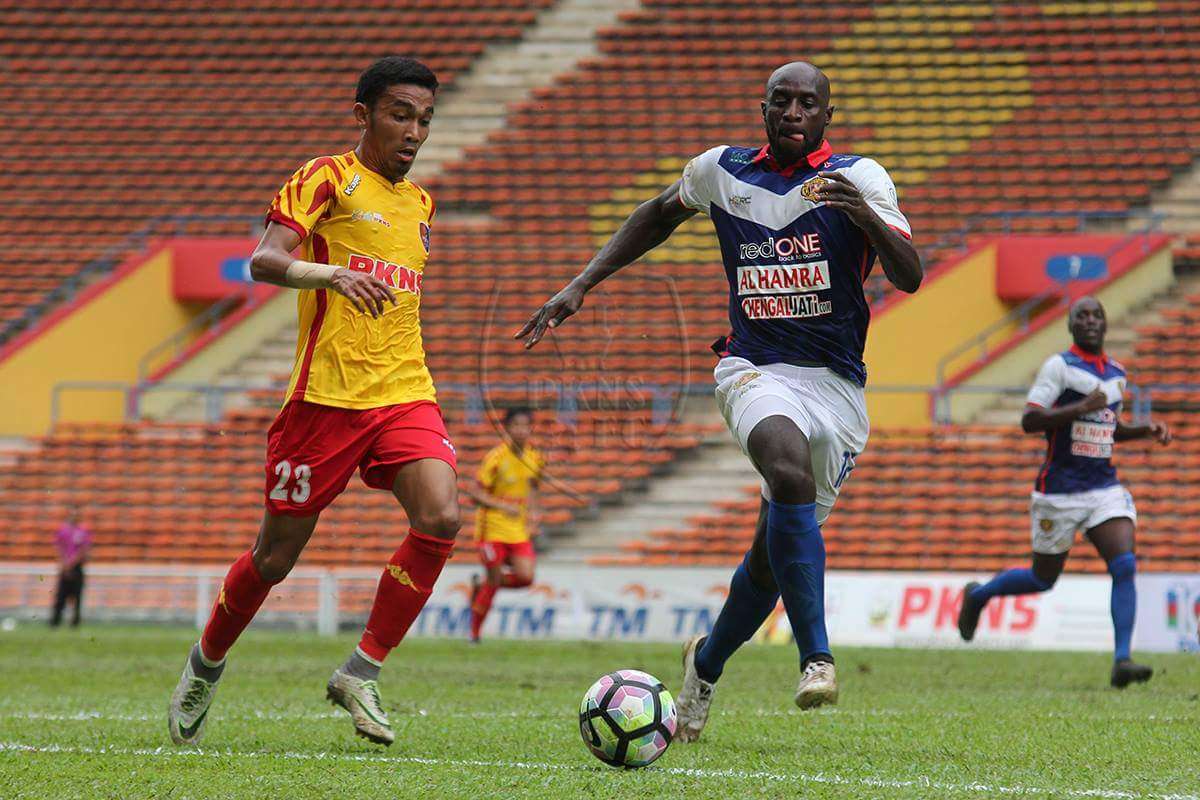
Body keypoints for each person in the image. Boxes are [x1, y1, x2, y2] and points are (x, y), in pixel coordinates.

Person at [517, 61, 922, 742]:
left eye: (808, 103)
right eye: (782, 101)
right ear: (764, 109)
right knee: (786, 469)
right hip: (753, 369)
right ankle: (815, 658)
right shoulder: (722, 171)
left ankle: (702, 667)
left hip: (837, 388)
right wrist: (583, 283)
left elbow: (910, 274)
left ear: (827, 114)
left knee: (769, 559)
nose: (795, 112)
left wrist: (861, 212)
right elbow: (656, 214)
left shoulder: (865, 177)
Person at [168, 56, 460, 747]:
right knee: (275, 558)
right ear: (362, 115)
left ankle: (361, 671)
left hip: (404, 392)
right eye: (399, 114)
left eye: (423, 119)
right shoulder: (326, 176)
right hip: (323, 402)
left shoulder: (420, 203)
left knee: (442, 515)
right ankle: (206, 662)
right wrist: (332, 275)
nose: (414, 132)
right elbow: (263, 260)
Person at [958, 296, 1171, 688]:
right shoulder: (1060, 367)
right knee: (1043, 579)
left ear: (1106, 325)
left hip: (1103, 487)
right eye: (1082, 316)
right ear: (1072, 326)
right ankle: (980, 595)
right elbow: (1030, 419)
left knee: (1124, 565)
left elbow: (1107, 428)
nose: (1090, 321)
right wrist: (1078, 408)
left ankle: (1122, 660)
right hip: (1058, 491)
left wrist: (1143, 430)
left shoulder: (1116, 373)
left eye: (1097, 315)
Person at [463, 407, 544, 643]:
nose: (520, 430)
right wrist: (502, 506)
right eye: (516, 425)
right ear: (507, 428)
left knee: (526, 577)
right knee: (495, 579)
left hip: (518, 529)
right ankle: (474, 634)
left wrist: (535, 513)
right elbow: (474, 494)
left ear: (530, 428)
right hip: (492, 529)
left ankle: (480, 585)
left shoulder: (535, 458)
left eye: (525, 425)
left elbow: (534, 487)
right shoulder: (496, 458)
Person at [50, 513, 90, 627]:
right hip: (65, 567)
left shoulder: (83, 532)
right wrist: (64, 564)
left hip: (76, 568)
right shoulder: (62, 531)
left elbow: (84, 550)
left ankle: (75, 622)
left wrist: (71, 563)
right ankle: (55, 622)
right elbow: (58, 548)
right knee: (60, 596)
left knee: (77, 597)